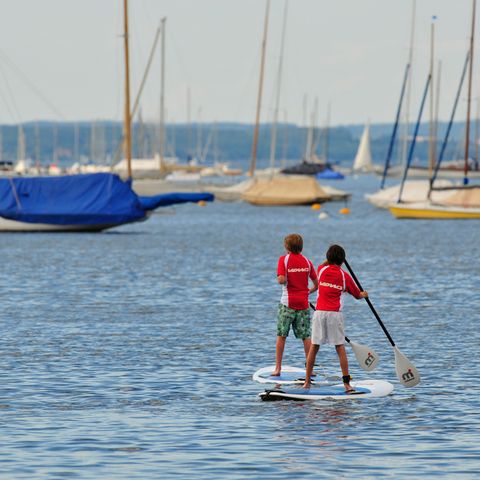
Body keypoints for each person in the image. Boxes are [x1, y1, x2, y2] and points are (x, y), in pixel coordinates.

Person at [302, 244, 368, 392]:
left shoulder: (321, 269)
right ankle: (346, 384)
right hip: (334, 315)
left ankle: (307, 382)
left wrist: (332, 259)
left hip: (319, 314)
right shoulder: (345, 277)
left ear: (328, 258)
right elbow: (357, 296)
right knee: (340, 348)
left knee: (314, 347)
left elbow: (324, 262)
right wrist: (364, 294)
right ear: (342, 261)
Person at [272, 233, 318, 376]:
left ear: (287, 247)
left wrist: (282, 278)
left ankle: (278, 368)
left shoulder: (283, 260)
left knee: (281, 336)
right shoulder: (307, 262)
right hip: (303, 304)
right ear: (301, 247)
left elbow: (281, 280)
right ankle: (310, 369)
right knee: (306, 337)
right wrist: (307, 292)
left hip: (287, 304)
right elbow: (317, 284)